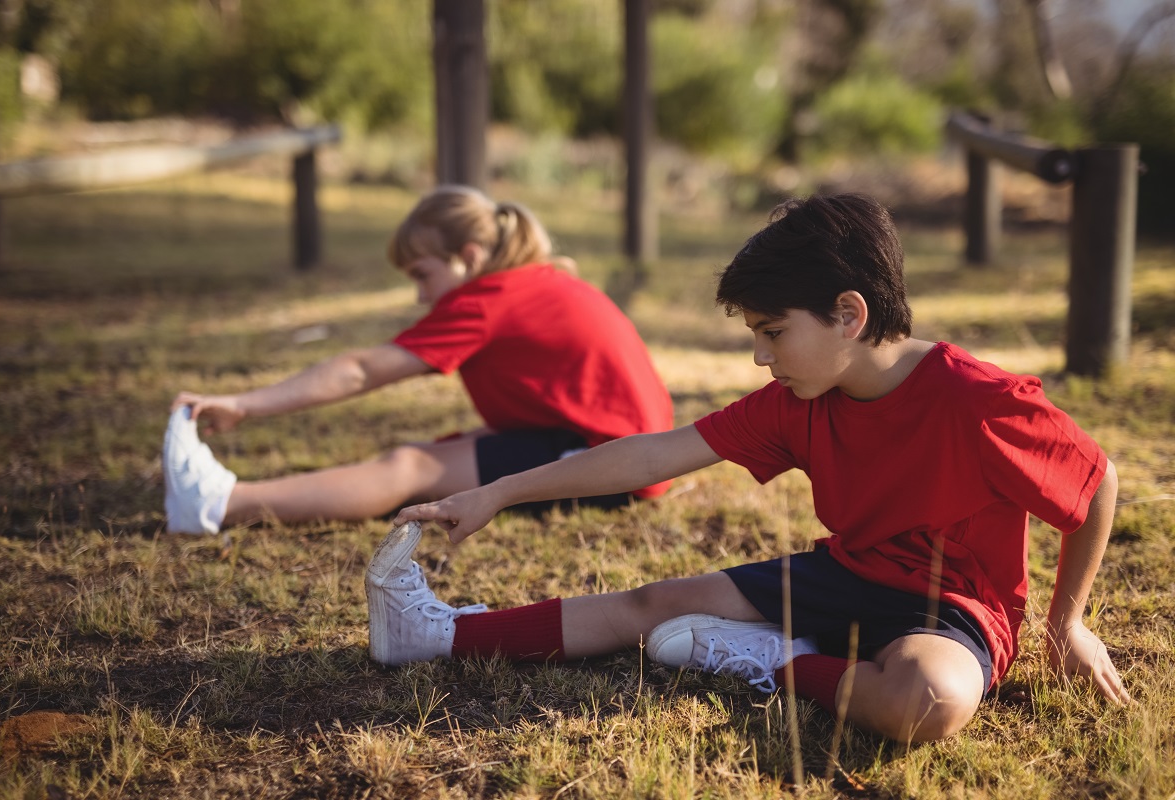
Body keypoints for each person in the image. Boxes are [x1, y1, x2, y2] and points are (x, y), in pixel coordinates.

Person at [371, 193, 1131, 744]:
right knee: (652, 604)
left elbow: (1095, 484)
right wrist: (501, 491)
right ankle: (433, 633)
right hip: (844, 574)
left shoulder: (977, 401)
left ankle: (786, 661)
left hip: (953, 610)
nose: (760, 356)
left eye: (772, 332)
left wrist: (1067, 622)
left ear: (850, 314)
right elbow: (655, 451)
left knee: (928, 703)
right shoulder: (796, 398)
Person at [162, 185, 674, 535]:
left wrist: (243, 404)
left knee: (410, 466)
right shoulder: (534, 282)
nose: (421, 297)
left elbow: (361, 371)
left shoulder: (487, 300)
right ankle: (224, 501)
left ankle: (217, 505)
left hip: (611, 465)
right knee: (447, 451)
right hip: (617, 450)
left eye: (423, 275)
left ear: (468, 258)